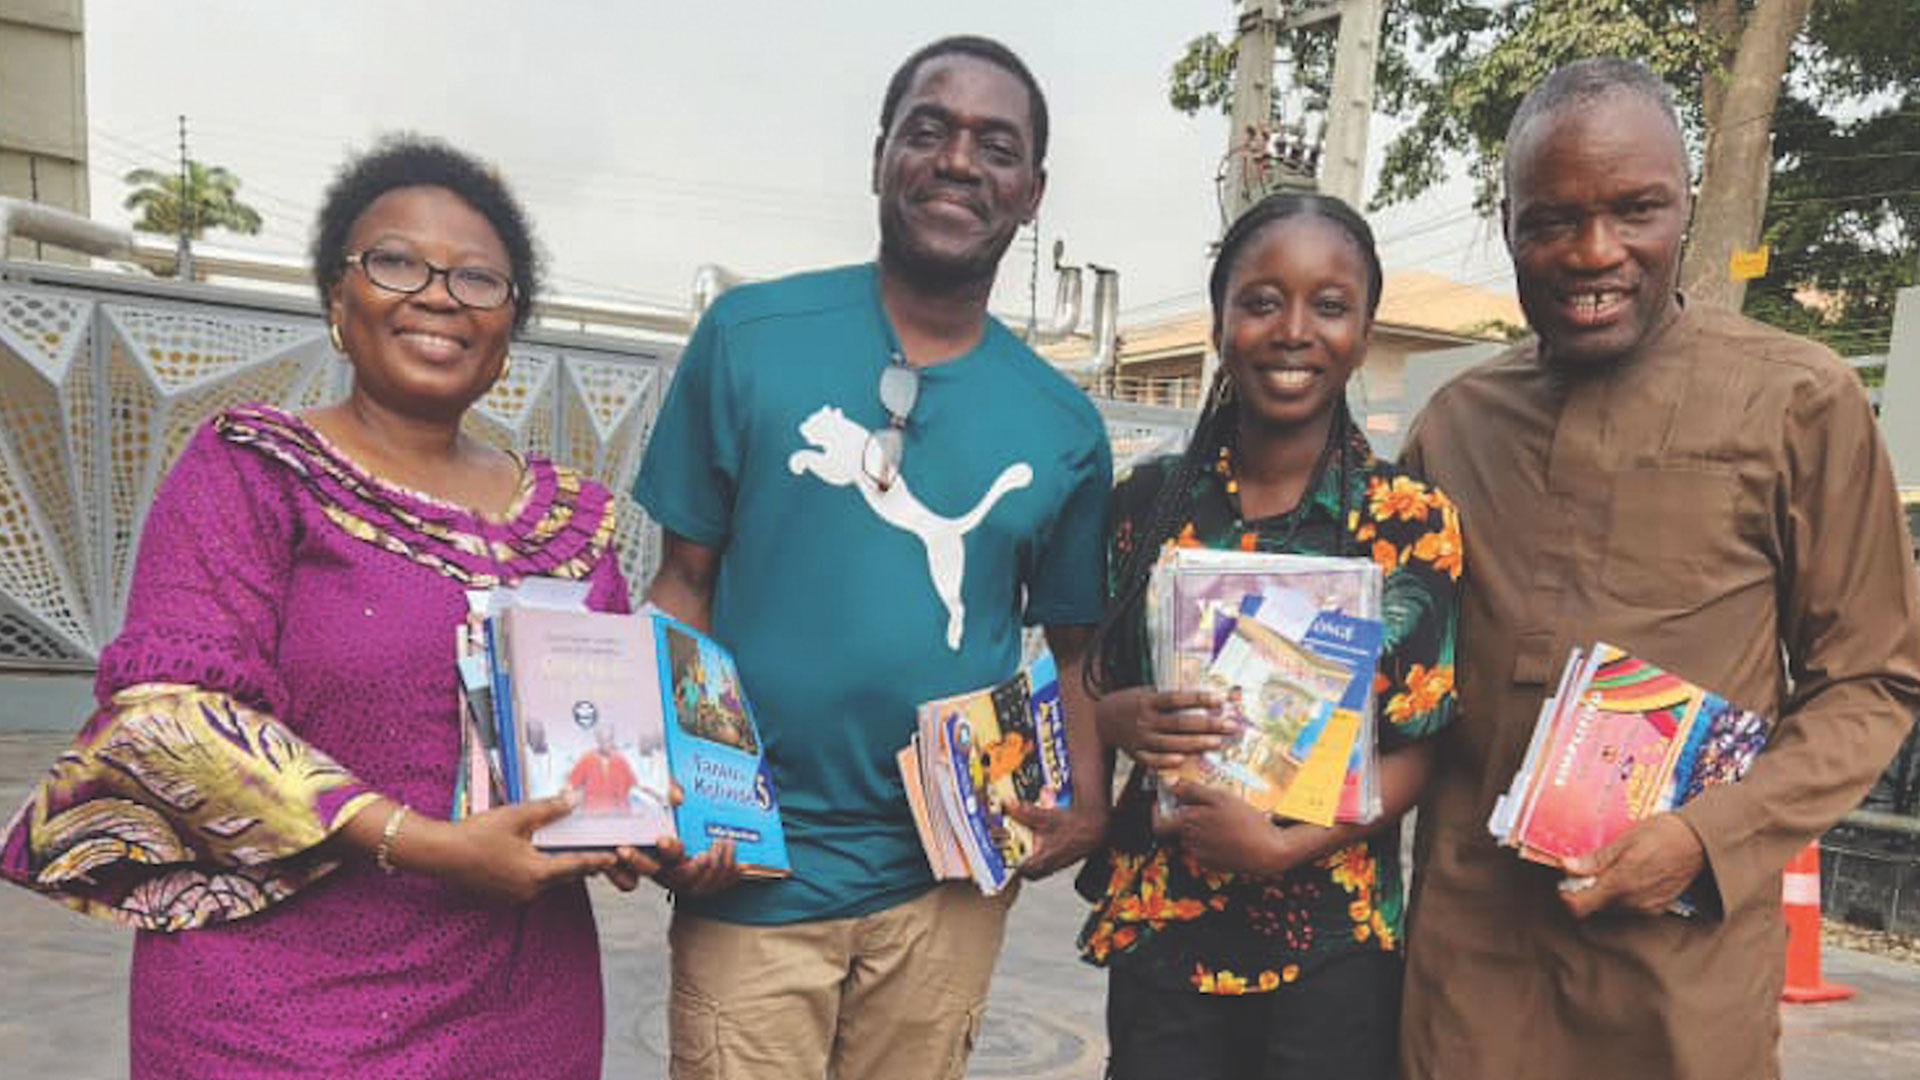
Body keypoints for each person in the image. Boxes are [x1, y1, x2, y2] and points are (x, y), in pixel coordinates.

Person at [0, 136, 700, 1079]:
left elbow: (595, 746)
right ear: (338, 300)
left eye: (478, 279)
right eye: (396, 262)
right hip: (269, 1009)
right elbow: (171, 722)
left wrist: (642, 830)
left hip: (520, 1009)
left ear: (509, 328)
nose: (441, 294)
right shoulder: (250, 471)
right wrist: (428, 845)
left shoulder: (567, 526)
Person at [1398, 58, 1920, 1080]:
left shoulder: (1796, 400)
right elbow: (1395, 684)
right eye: (1553, 219)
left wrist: (1707, 835)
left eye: (1635, 210)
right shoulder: (1454, 428)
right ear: (1508, 223)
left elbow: (1872, 678)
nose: (1596, 253)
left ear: (1684, 205)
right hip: (1469, 962)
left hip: (1680, 969)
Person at [632, 34, 1113, 1080]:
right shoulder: (753, 336)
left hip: (947, 880)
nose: (956, 161)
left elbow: (1077, 644)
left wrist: (1084, 801)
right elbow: (683, 584)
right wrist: (667, 785)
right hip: (753, 866)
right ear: (880, 155)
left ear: (1032, 192)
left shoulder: (1062, 421)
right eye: (928, 130)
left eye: (996, 145)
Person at [1074, 192, 1461, 1080]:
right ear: (1219, 324)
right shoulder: (1147, 505)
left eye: (1329, 305)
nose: (1294, 329)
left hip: (1334, 950)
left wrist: (1284, 842)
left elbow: (1422, 748)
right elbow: (1096, 686)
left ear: (1363, 333)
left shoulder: (1407, 521)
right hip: (1166, 932)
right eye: (1260, 301)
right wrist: (1124, 715)